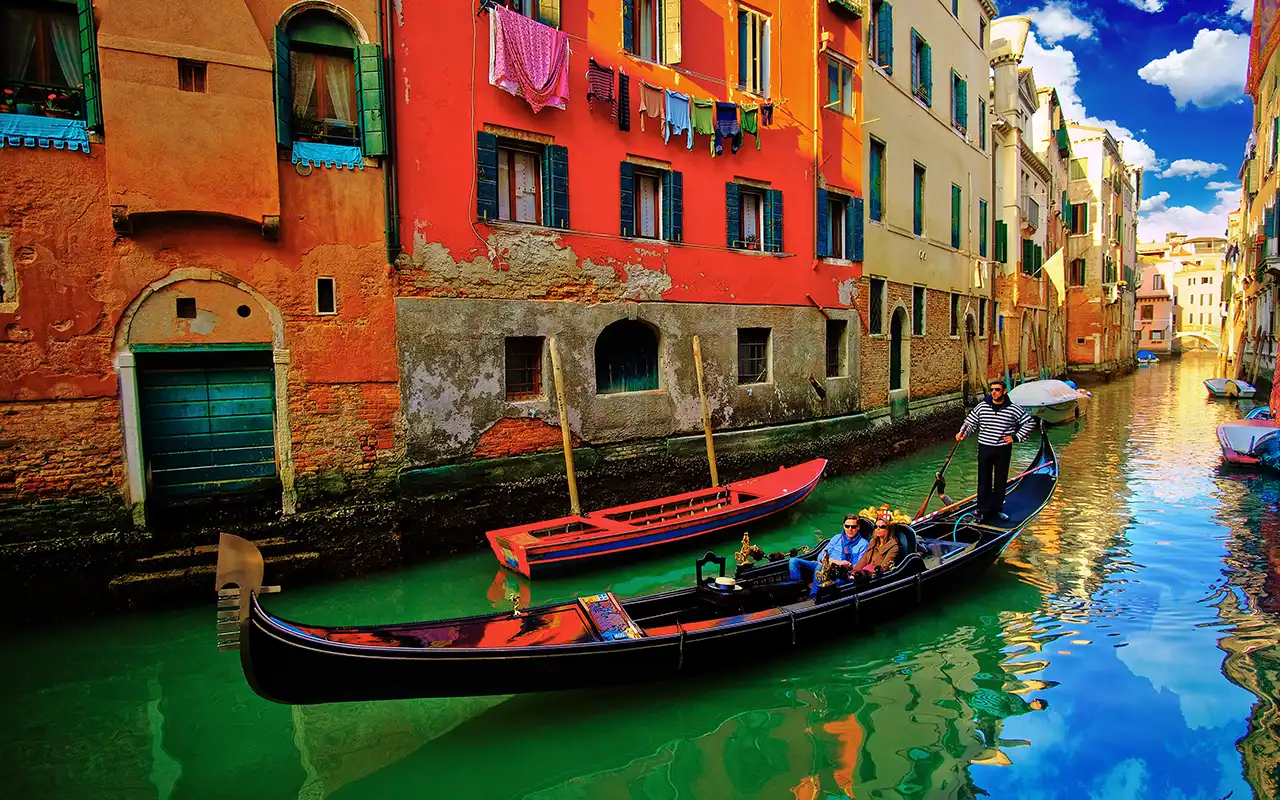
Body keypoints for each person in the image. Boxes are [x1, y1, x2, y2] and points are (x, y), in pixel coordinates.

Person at [956, 380, 1036, 524]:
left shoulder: (1013, 409)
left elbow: (1029, 422)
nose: (993, 392)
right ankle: (982, 510)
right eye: (992, 390)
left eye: (997, 390)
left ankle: (997, 509)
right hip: (985, 447)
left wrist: (1015, 437)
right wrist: (962, 432)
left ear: (1004, 391)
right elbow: (970, 422)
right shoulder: (982, 407)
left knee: (1000, 480)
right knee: (983, 480)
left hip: (1002, 449)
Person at [789, 513, 869, 596]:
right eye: (847, 526)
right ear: (843, 526)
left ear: (858, 527)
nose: (850, 529)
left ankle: (813, 597)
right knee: (793, 561)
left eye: (853, 527)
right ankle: (795, 591)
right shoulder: (837, 538)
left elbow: (858, 566)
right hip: (826, 564)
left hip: (839, 572)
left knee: (820, 567)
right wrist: (832, 561)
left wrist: (844, 564)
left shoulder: (863, 544)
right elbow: (820, 556)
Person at [850, 508, 901, 577]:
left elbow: (884, 567)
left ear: (888, 529)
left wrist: (865, 574)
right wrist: (854, 572)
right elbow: (864, 560)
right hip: (862, 574)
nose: (878, 528)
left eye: (882, 527)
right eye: (876, 526)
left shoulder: (894, 547)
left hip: (873, 577)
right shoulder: (873, 542)